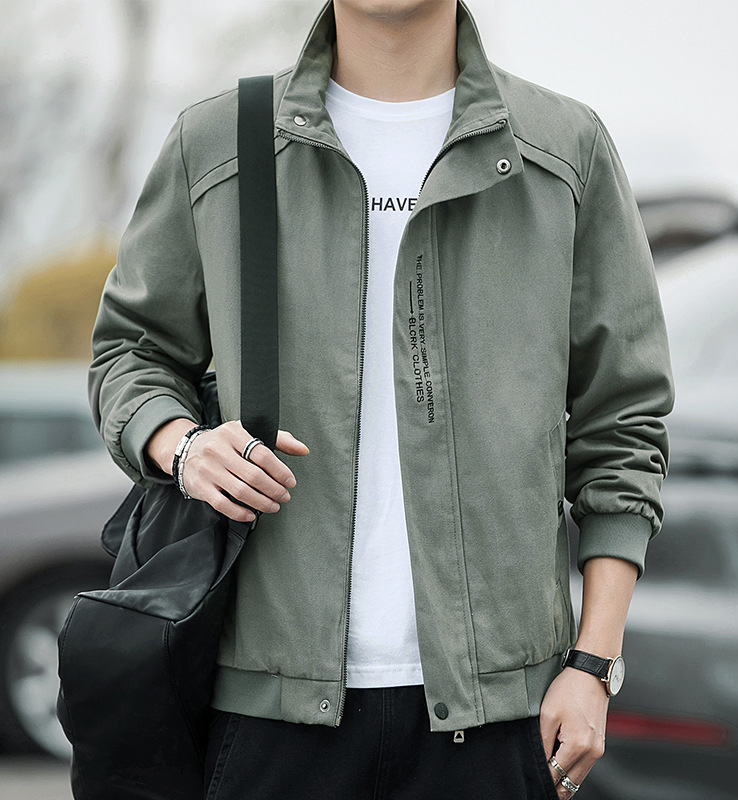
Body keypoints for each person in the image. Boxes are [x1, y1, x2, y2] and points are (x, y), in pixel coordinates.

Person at [89, 1, 674, 798]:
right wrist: (183, 446)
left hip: (503, 714)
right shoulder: (219, 142)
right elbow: (131, 350)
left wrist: (593, 665)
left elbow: (623, 422)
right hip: (267, 708)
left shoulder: (564, 151)